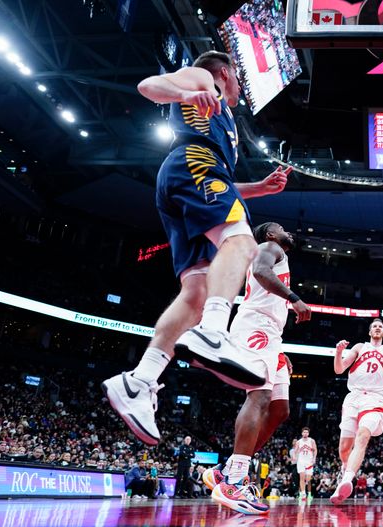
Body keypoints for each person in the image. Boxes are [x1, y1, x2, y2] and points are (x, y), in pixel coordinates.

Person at [102, 51, 291, 446]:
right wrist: (185, 95)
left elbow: (217, 184)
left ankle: (140, 381)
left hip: (187, 178)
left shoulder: (223, 121)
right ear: (225, 71)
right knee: (242, 242)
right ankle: (213, 332)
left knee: (197, 293)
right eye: (237, 77)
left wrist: (261, 188)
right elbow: (148, 87)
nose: (238, 85)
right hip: (192, 165)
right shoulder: (206, 80)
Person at [201, 223, 309, 514]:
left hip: (272, 335)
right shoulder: (269, 248)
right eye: (282, 228)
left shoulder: (278, 256)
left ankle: (225, 471)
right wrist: (295, 299)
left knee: (280, 409)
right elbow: (261, 273)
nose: (289, 231)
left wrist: (279, 349)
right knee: (259, 396)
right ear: (271, 235)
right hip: (255, 326)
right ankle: (234, 481)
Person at [329, 320, 383, 505]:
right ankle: (345, 470)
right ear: (369, 331)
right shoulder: (360, 347)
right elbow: (339, 368)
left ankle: (346, 481)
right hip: (353, 398)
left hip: (374, 399)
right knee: (344, 448)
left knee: (362, 435)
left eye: (380, 327)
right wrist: (338, 352)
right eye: (374, 326)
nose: (377, 328)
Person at [294, 428, 318, 501]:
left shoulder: (311, 441)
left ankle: (306, 491)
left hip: (309, 461)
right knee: (302, 477)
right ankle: (303, 494)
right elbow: (295, 450)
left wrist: (314, 458)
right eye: (304, 432)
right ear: (302, 433)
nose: (305, 433)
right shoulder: (298, 442)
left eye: (307, 432)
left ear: (308, 433)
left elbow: (315, 449)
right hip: (301, 461)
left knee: (308, 479)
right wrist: (295, 456)